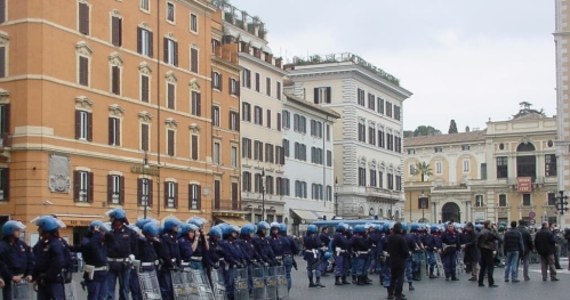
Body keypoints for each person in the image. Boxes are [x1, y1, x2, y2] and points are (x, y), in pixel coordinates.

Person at [106, 208, 138, 300]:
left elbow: (135, 246)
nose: (111, 220)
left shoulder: (129, 232)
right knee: (109, 290)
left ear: (118, 220)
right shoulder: (108, 231)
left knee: (124, 289)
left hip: (124, 264)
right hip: (111, 264)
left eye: (113, 218)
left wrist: (132, 255)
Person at [32, 215, 66, 299]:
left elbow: (58, 263)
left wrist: (46, 276)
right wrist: (36, 277)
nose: (38, 230)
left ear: (46, 229)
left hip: (54, 282)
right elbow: (37, 261)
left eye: (40, 227)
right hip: (43, 281)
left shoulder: (56, 244)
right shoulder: (42, 244)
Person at [0, 220, 34, 300]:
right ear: (10, 231)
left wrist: (30, 273)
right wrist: (11, 276)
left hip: (23, 280)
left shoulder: (21, 244)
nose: (19, 232)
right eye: (16, 230)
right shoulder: (2, 246)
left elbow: (30, 257)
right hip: (10, 281)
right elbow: (1, 264)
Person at [81, 221, 112, 300]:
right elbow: (92, 249)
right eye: (101, 231)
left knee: (102, 297)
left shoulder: (102, 242)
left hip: (103, 274)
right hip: (93, 274)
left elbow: (112, 238)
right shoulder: (87, 241)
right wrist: (96, 234)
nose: (103, 234)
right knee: (94, 297)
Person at [386, 222, 409, 300]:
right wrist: (406, 256)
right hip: (400, 260)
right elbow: (405, 250)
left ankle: (390, 293)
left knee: (392, 277)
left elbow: (388, 249)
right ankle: (398, 294)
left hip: (392, 260)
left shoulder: (390, 237)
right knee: (400, 278)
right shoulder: (401, 238)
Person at [477, 220, 500, 287]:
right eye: (491, 224)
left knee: (483, 267)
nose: (492, 225)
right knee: (490, 266)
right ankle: (491, 282)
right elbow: (498, 238)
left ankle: (480, 282)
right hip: (489, 249)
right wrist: (495, 230)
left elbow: (477, 241)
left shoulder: (481, 231)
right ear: (488, 225)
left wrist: (479, 248)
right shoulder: (489, 232)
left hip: (482, 249)